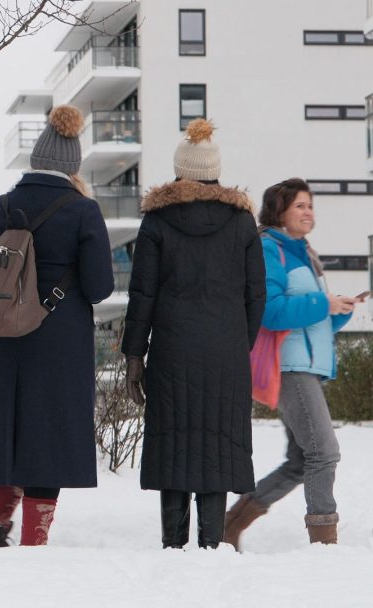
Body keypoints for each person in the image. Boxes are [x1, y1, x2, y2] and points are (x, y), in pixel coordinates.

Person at [0, 105, 114, 546]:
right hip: (60, 337)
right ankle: (34, 538)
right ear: (72, 165)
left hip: (6, 335)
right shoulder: (83, 211)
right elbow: (100, 286)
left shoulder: (0, 207)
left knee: (12, 425)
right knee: (50, 431)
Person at [121, 119, 266, 550]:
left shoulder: (158, 222)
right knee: (218, 441)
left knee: (173, 439)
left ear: (180, 170)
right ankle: (210, 543)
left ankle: (173, 543)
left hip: (171, 348)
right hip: (224, 351)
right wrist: (239, 344)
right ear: (216, 171)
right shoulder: (242, 223)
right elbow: (256, 295)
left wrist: (134, 355)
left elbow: (142, 293)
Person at [223, 178, 359, 549]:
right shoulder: (270, 249)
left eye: (311, 205)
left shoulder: (303, 252)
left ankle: (231, 523)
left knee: (300, 460)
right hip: (289, 367)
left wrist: (339, 311)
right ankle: (324, 542)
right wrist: (322, 303)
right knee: (324, 452)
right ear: (278, 210)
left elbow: (317, 319)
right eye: (300, 205)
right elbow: (271, 311)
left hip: (307, 365)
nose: (308, 212)